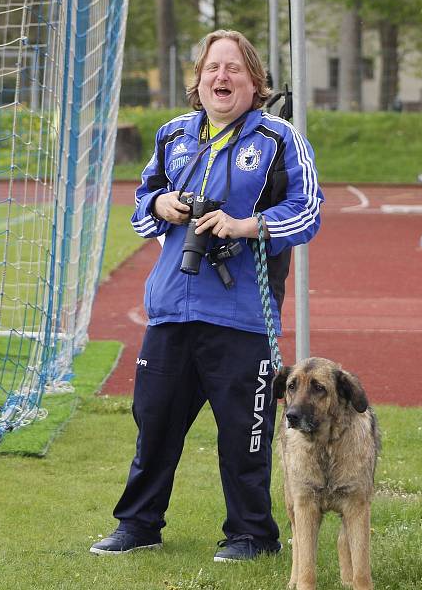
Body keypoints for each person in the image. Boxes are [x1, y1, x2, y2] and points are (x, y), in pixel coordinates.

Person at [90, 29, 324, 560]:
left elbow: (309, 211)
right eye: (212, 68)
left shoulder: (279, 139)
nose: (222, 77)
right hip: (172, 307)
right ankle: (138, 525)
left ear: (255, 80)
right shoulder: (174, 135)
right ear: (197, 79)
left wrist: (248, 226)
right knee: (154, 425)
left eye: (234, 68)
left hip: (243, 314)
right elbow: (140, 203)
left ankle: (251, 534)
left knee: (245, 435)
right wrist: (162, 205)